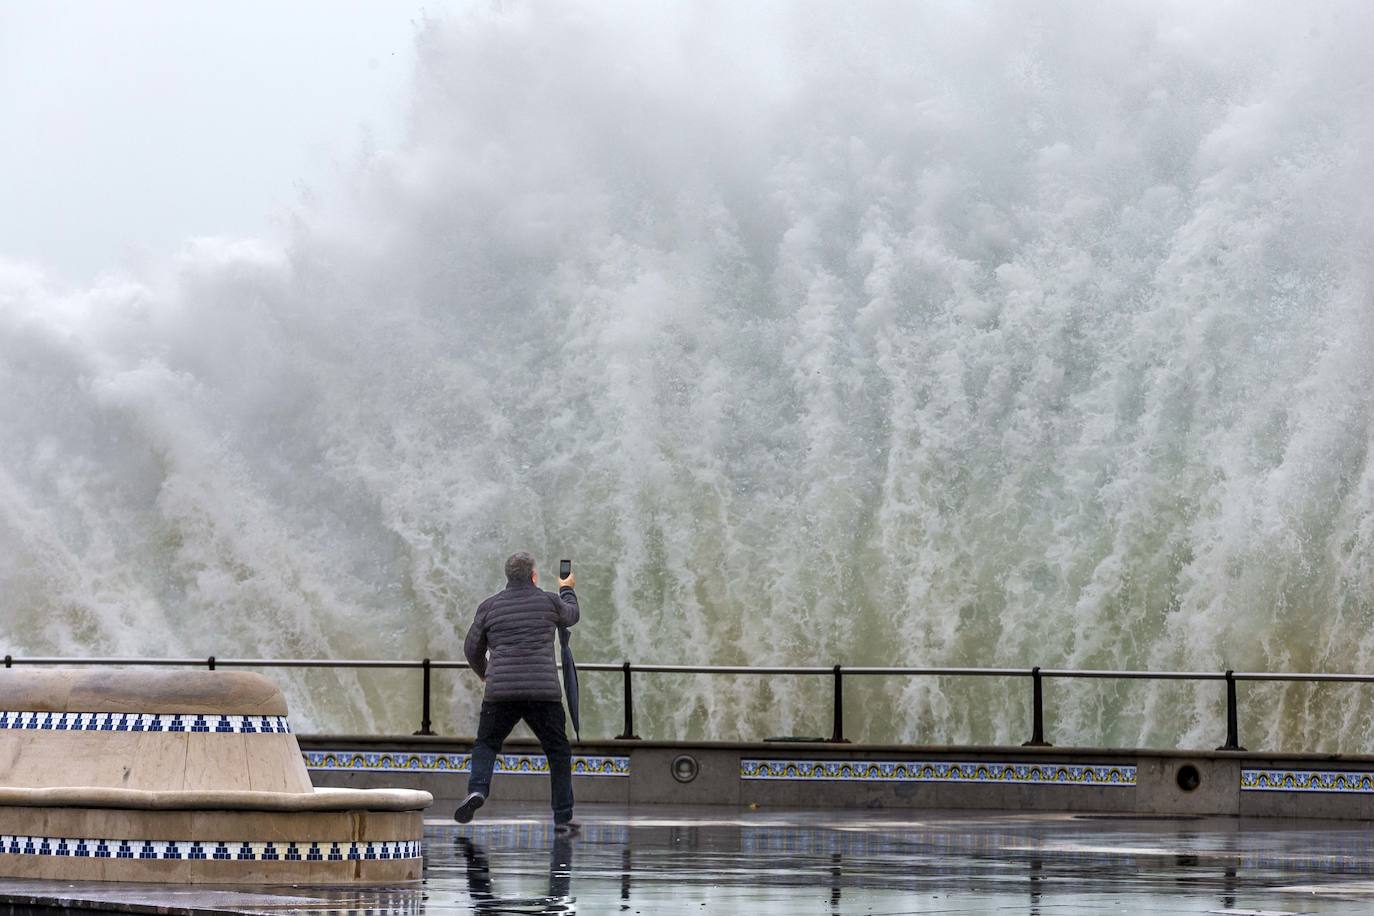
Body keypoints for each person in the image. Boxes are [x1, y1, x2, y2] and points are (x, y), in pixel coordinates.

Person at [455, 551, 580, 834]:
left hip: (501, 692)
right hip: (543, 693)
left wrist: (485, 672)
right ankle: (563, 817)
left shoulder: (490, 606)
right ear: (533, 576)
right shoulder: (549, 601)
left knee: (486, 744)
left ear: (508, 576)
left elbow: (471, 648)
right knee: (558, 751)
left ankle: (477, 790)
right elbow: (572, 616)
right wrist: (567, 589)